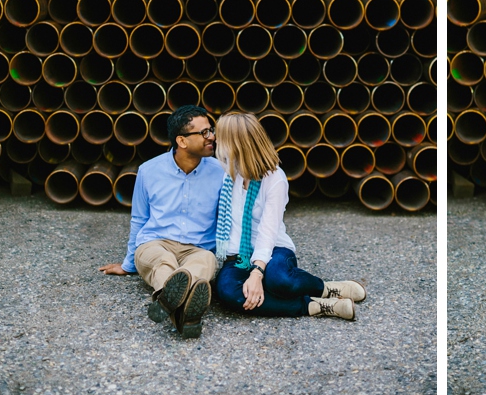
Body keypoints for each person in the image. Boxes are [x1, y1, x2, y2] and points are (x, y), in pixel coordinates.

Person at [211, 112, 365, 321]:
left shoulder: (274, 179)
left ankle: (326, 288)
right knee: (228, 293)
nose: (214, 139)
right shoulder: (228, 172)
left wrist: (257, 273)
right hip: (239, 255)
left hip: (274, 249)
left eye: (219, 135)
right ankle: (314, 305)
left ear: (236, 143)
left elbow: (268, 229)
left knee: (280, 281)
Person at [99, 105, 226, 339]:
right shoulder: (149, 171)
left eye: (211, 130)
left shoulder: (221, 172)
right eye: (205, 132)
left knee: (206, 260)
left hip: (198, 249)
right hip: (155, 244)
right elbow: (139, 219)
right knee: (163, 260)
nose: (212, 137)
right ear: (182, 141)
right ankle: (187, 308)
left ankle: (174, 306)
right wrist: (128, 264)